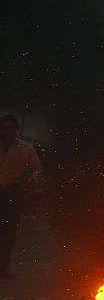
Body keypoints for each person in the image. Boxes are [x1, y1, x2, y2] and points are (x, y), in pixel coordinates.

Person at [0, 115, 42, 278]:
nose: (7, 131)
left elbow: (37, 171)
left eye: (10, 128)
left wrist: (28, 185)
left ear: (16, 129)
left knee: (8, 233)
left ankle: (3, 269)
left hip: (12, 193)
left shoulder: (26, 149)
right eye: (4, 128)